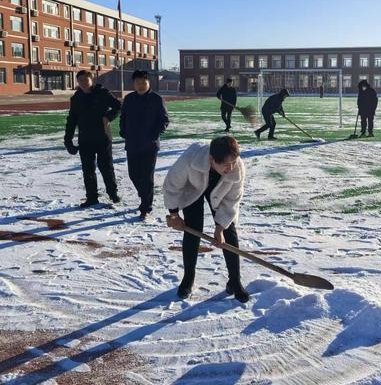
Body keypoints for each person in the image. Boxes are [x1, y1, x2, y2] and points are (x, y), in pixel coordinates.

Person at [164, 136, 249, 303]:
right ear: (211, 159)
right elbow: (172, 185)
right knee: (193, 228)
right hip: (192, 188)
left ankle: (235, 280)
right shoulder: (190, 159)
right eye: (225, 164)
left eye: (233, 162)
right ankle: (188, 277)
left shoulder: (236, 168)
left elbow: (232, 201)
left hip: (221, 192)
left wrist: (220, 227)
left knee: (229, 231)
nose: (230, 168)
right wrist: (174, 215)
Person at [64, 70, 121, 208]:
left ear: (92, 79)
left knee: (106, 167)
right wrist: (68, 140)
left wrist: (108, 117)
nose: (83, 83)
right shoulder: (76, 98)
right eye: (80, 80)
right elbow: (72, 119)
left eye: (85, 79)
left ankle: (113, 194)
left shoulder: (102, 93)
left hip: (102, 137)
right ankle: (92, 197)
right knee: (88, 169)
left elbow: (118, 106)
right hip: (85, 139)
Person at [120, 70, 170, 220]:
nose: (140, 85)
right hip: (133, 143)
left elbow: (164, 120)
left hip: (149, 145)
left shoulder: (156, 99)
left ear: (149, 83)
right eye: (137, 82)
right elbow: (123, 117)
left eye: (143, 82)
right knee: (133, 174)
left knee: (147, 176)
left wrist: (154, 134)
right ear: (134, 83)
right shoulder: (129, 99)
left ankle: (146, 206)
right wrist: (124, 131)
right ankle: (144, 196)